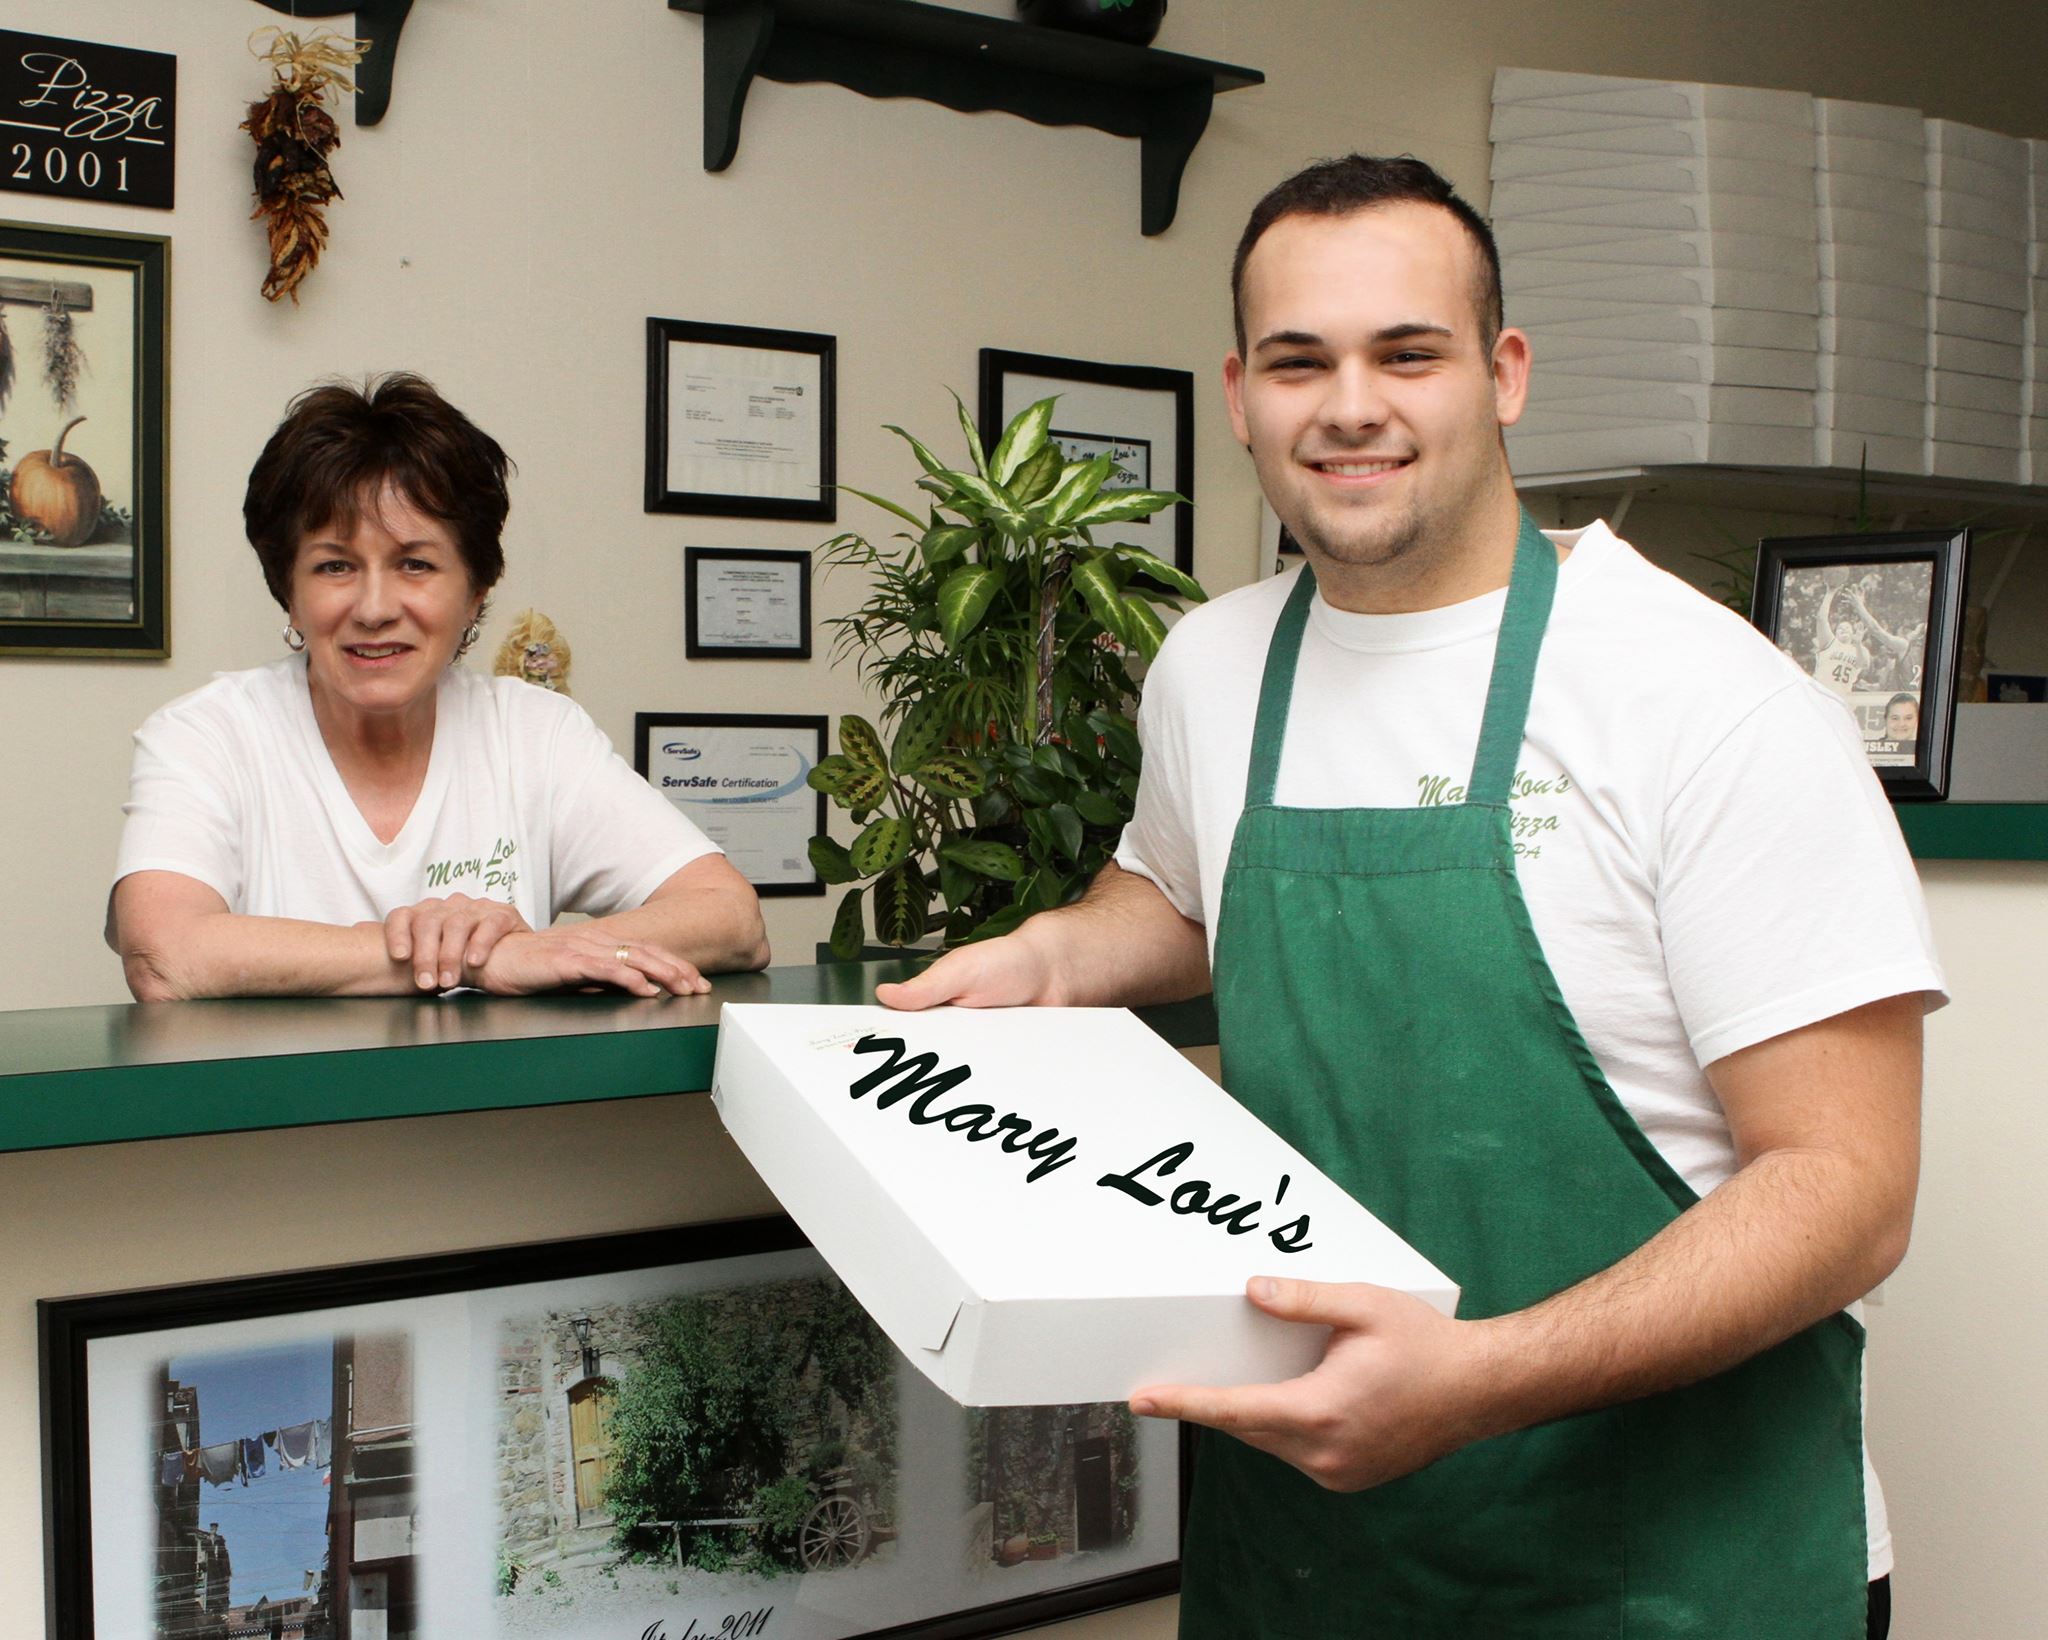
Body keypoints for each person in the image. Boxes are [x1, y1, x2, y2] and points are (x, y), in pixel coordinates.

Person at [879, 155, 1942, 1638]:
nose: (1352, 405)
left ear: (1503, 374)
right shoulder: (1214, 668)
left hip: (1675, 1569)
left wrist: (1482, 1377)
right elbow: (1180, 894)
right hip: (1319, 1562)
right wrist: (1053, 958)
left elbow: (1846, 1192)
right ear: (1242, 393)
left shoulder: (1707, 702)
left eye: (1409, 352)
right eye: (1303, 361)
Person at [110, 373, 769, 999]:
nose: (373, 607)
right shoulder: (206, 734)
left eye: (415, 564)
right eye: (335, 565)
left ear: (475, 593)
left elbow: (731, 919)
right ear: (289, 593)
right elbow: (165, 954)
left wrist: (540, 953)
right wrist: (481, 961)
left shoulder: (536, 733)